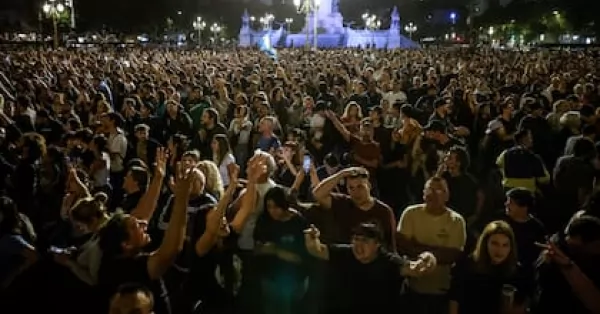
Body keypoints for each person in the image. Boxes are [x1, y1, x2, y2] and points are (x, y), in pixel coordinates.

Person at [304, 222, 436, 314]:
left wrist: (428, 258)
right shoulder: (346, 253)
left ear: (377, 244)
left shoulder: (389, 262)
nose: (358, 245)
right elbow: (317, 249)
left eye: (365, 241)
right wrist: (312, 237)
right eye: (356, 239)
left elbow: (417, 270)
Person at [449, 221, 531, 314]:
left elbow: (523, 304)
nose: (499, 250)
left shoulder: (517, 271)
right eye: (495, 243)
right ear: (485, 243)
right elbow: (454, 299)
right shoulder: (467, 265)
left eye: (505, 245)